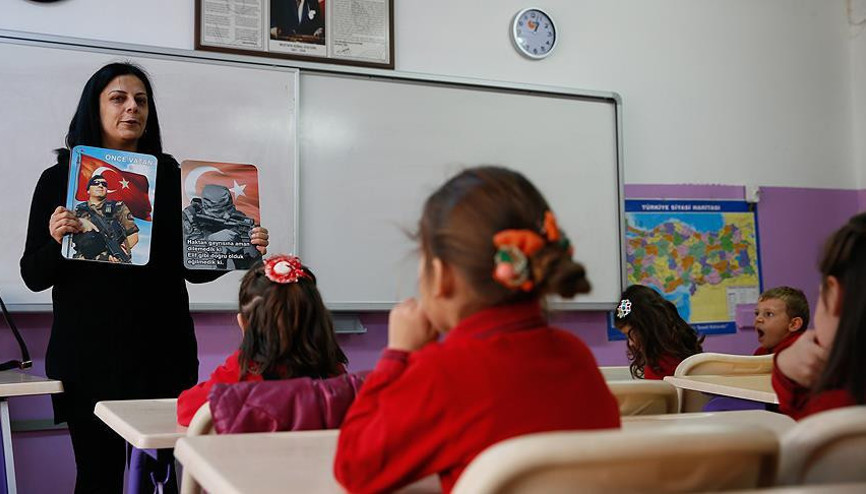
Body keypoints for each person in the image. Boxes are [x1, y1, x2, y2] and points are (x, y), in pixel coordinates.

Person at [20, 62, 269, 493]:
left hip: (162, 356)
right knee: (97, 477)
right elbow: (33, 276)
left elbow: (192, 268)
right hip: (88, 358)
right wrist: (58, 238)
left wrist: (241, 246)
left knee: (164, 480)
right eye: (118, 98)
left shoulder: (172, 178)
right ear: (93, 109)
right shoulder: (60, 179)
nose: (131, 108)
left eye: (140, 99)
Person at [333, 166, 620, 493]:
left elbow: (354, 468)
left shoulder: (441, 373)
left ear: (440, 275)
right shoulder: (576, 354)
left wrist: (397, 355)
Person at [176, 254, 348, 425]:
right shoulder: (335, 378)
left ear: (243, 323)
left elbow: (186, 408)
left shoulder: (240, 374)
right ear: (321, 320)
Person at [773, 212, 866, 420]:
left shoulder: (832, 409)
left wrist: (783, 365)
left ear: (833, 296)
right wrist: (785, 364)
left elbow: (798, 408)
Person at [612, 284, 704, 379]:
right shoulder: (684, 351)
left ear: (647, 327)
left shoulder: (658, 368)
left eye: (630, 334)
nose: (630, 343)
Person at [182, 184, 259, 270]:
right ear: (205, 208)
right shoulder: (189, 218)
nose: (227, 216)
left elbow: (253, 260)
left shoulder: (237, 218)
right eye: (220, 211)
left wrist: (246, 243)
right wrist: (212, 242)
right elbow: (193, 257)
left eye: (229, 208)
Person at [71, 174, 138, 262]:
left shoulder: (117, 207)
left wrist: (119, 252)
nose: (100, 185)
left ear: (107, 190)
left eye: (104, 184)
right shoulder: (78, 211)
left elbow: (133, 235)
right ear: (88, 190)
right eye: (95, 183)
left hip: (112, 261)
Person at [752, 286, 809, 355]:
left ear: (794, 324)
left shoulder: (801, 350)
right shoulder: (761, 352)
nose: (758, 319)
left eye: (769, 314)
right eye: (757, 313)